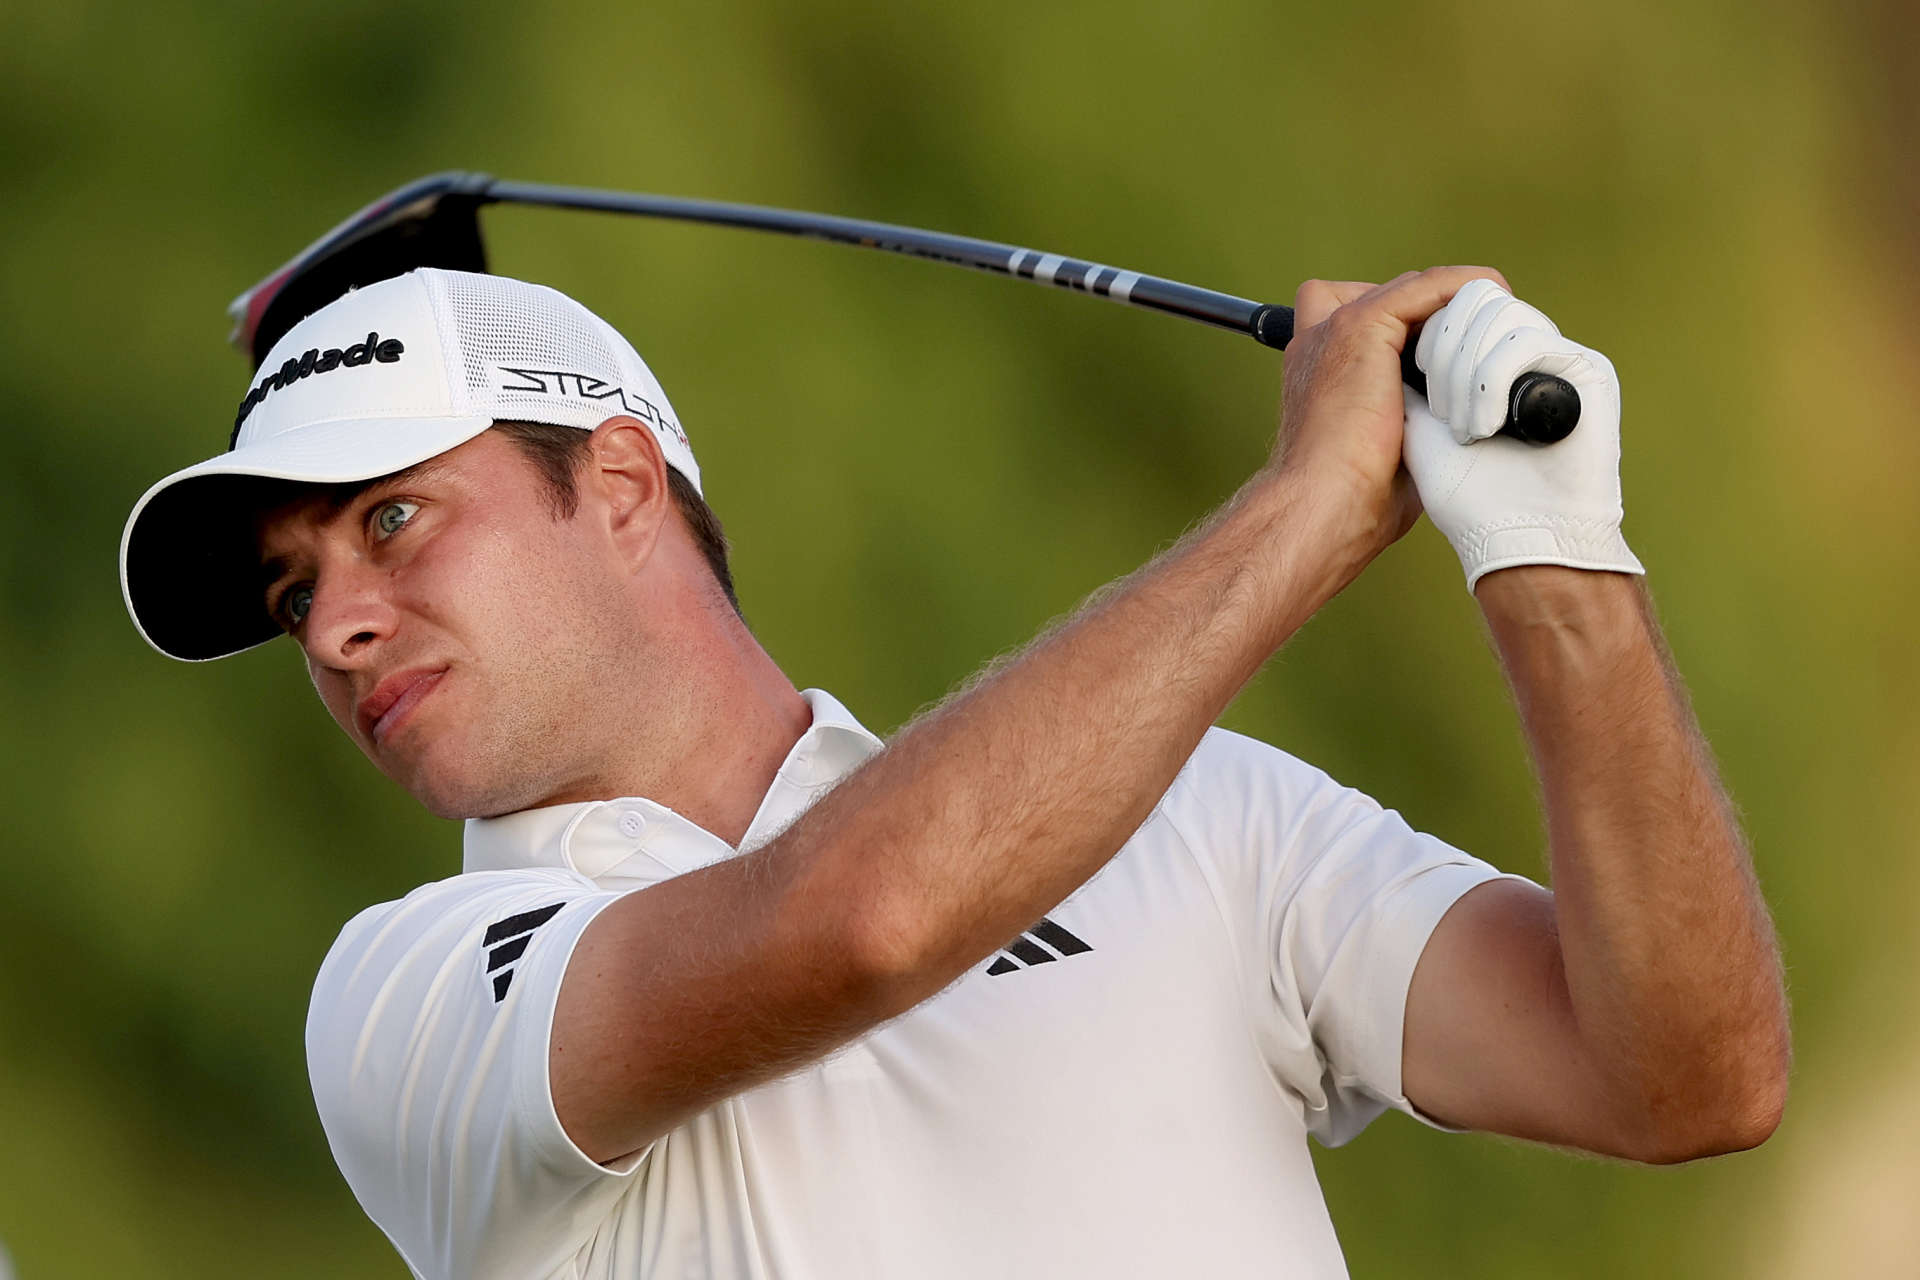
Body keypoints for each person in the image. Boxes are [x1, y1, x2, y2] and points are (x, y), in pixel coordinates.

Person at [119, 265, 1788, 1279]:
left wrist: (1557, 565)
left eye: (390, 521)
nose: (335, 624)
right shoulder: (405, 1002)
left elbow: (1689, 1081)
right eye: (293, 592)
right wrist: (1307, 511)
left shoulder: (1198, 813)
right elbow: (864, 919)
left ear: (620, 483)